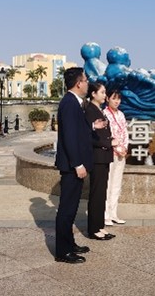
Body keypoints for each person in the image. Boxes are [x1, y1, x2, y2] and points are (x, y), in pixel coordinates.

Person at [55, 67, 103, 263]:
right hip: (71, 166)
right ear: (78, 83)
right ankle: (62, 251)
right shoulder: (69, 103)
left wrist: (92, 126)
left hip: (75, 164)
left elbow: (76, 129)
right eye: (85, 80)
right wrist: (77, 164)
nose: (87, 83)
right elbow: (69, 137)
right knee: (67, 209)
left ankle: (70, 243)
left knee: (72, 207)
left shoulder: (75, 102)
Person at [84, 81, 116, 240]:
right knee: (96, 192)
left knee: (101, 192)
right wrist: (109, 143)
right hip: (97, 157)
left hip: (104, 156)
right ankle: (93, 229)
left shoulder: (98, 110)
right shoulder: (90, 110)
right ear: (93, 94)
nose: (105, 95)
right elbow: (89, 136)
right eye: (102, 92)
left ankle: (99, 225)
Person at [103, 88, 128, 226]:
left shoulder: (121, 114)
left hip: (121, 154)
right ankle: (105, 214)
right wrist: (117, 148)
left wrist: (124, 148)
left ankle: (114, 213)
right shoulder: (104, 114)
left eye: (118, 99)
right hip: (109, 153)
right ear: (108, 99)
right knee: (108, 184)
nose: (117, 101)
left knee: (117, 184)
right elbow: (106, 135)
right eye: (114, 98)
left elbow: (125, 132)